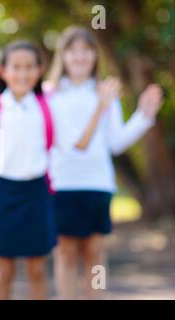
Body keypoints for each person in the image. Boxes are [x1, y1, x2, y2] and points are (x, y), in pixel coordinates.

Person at [47, 26, 163, 299]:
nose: (79, 57)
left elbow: (116, 142)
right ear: (63, 56)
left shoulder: (104, 91)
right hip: (61, 183)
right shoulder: (50, 94)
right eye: (72, 51)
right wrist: (100, 106)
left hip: (97, 183)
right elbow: (75, 143)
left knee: (94, 252)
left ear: (94, 56)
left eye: (86, 50)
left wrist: (144, 116)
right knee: (64, 251)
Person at [0, 40, 56, 300]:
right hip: (3, 192)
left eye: (30, 67)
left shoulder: (46, 105)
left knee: (37, 270)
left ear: (40, 70)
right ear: (3, 70)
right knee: (3, 271)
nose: (23, 73)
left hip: (37, 192)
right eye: (16, 67)